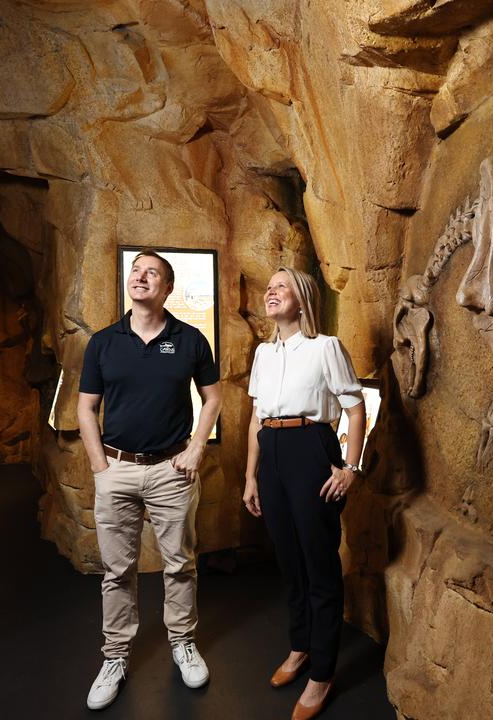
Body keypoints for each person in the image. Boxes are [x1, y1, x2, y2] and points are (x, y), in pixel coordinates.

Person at [76, 250, 222, 710]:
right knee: (117, 571)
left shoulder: (191, 339)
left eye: (151, 273)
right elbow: (86, 407)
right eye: (135, 271)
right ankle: (115, 656)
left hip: (171, 469)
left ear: (167, 288)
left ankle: (183, 643)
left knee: (179, 563)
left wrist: (198, 446)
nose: (140, 277)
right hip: (116, 469)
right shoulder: (103, 342)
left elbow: (213, 397)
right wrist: (101, 466)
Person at [243, 266, 365, 720]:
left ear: (303, 298)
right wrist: (250, 477)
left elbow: (354, 411)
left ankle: (323, 672)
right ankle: (300, 647)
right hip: (271, 451)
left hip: (310, 446)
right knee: (289, 561)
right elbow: (256, 419)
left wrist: (351, 468)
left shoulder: (325, 348)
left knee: (318, 563)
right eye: (269, 287)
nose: (271, 292)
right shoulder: (263, 354)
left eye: (281, 287)